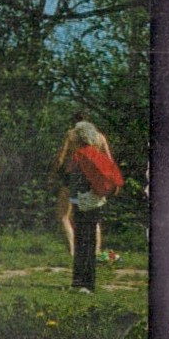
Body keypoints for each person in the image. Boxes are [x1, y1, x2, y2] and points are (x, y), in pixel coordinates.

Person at [61, 119, 118, 293]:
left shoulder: (79, 154)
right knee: (90, 240)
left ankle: (80, 282)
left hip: (81, 200)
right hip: (96, 199)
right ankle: (88, 283)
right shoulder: (97, 153)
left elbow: (68, 171)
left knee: (81, 241)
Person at [53, 110, 112, 259]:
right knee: (93, 216)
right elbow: (109, 161)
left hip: (73, 177)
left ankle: (73, 251)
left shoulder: (72, 135)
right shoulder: (100, 137)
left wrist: (53, 174)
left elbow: (61, 158)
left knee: (64, 216)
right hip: (93, 179)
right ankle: (96, 252)